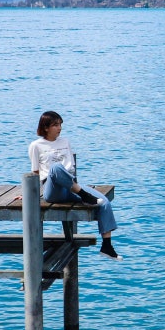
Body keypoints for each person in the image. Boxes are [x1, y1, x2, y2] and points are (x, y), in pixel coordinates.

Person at [28, 110, 121, 259]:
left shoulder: (65, 142)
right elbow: (35, 173)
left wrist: (74, 184)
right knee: (56, 168)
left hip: (71, 186)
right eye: (55, 125)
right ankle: (84, 195)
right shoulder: (36, 145)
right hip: (52, 189)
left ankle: (107, 246)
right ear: (45, 127)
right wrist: (28, 194)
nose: (59, 128)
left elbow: (71, 167)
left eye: (60, 124)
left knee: (103, 202)